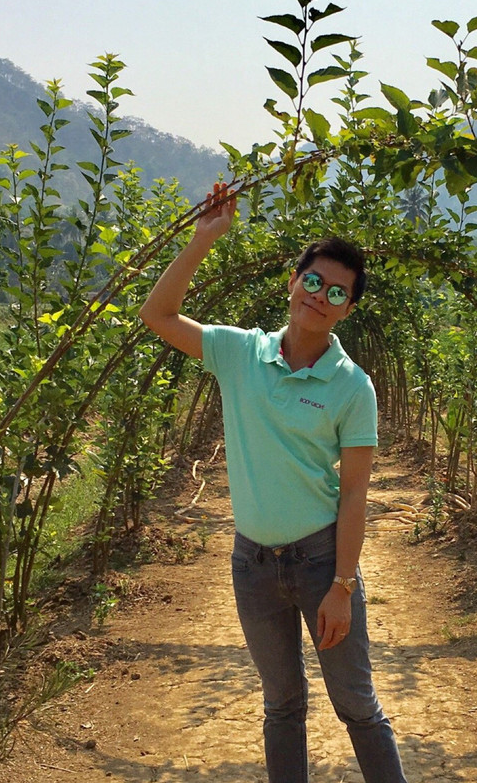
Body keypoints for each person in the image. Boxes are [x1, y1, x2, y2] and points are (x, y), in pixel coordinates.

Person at [138, 183, 408, 783]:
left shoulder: (351, 386)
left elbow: (356, 494)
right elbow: (156, 315)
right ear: (294, 281)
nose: (320, 297)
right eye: (313, 282)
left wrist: (342, 584)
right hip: (252, 566)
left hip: (319, 563)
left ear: (347, 308)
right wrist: (204, 238)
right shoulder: (239, 354)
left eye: (337, 292)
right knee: (281, 707)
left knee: (356, 706)